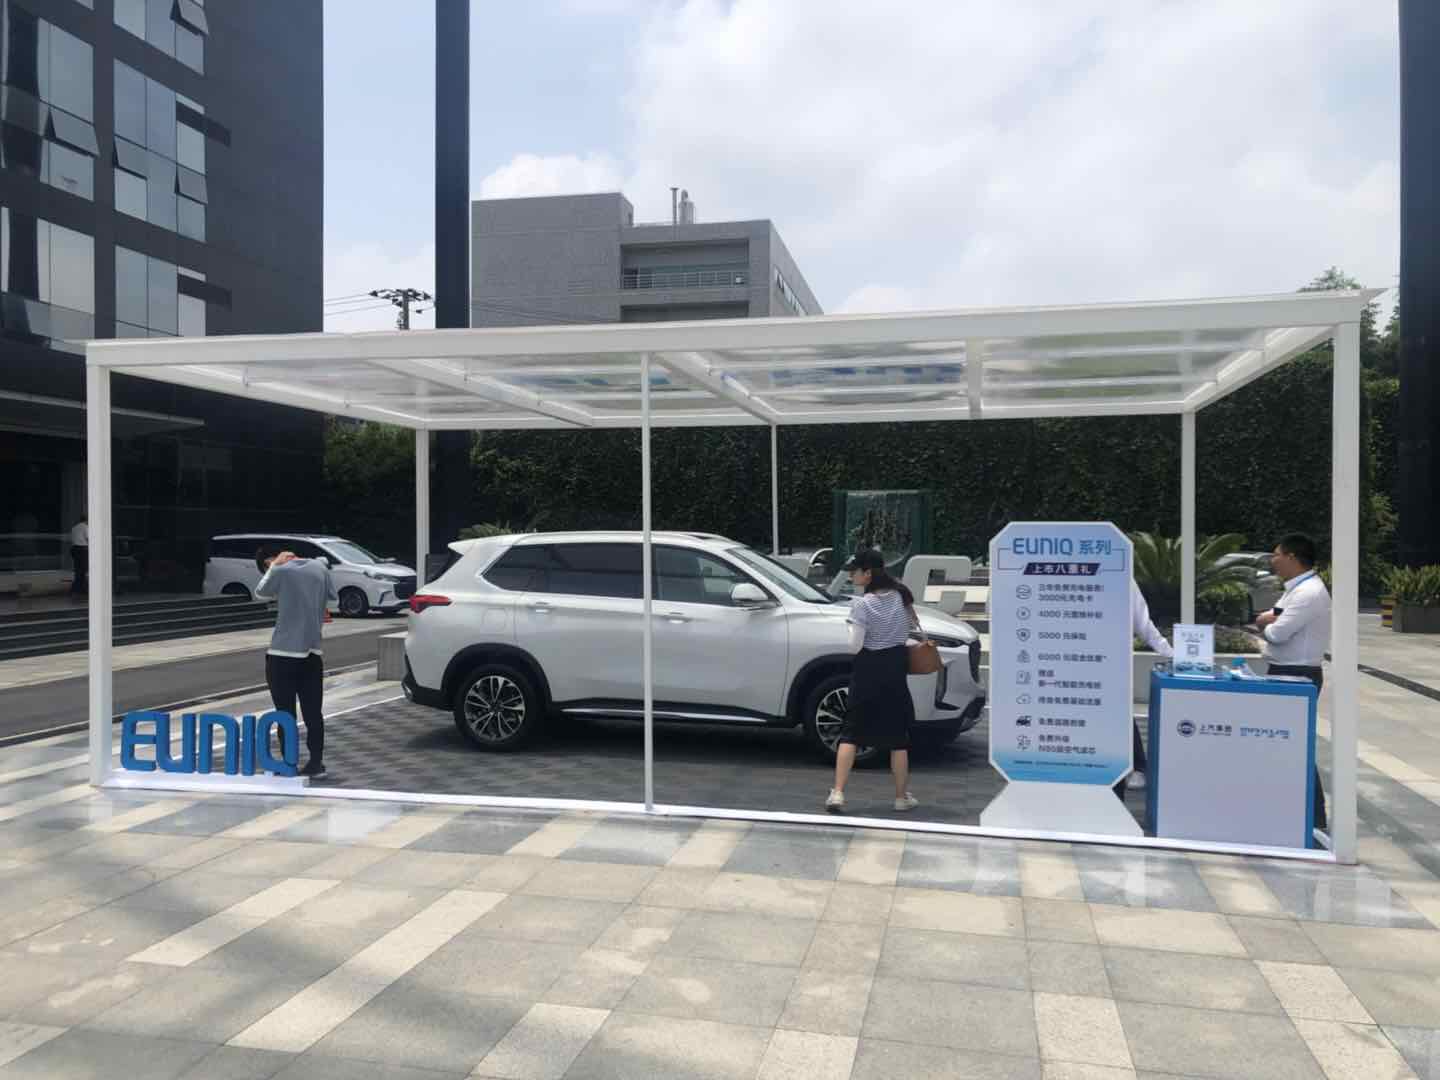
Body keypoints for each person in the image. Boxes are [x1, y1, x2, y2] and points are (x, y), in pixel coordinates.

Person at [826, 549, 920, 814]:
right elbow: (911, 627)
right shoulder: (901, 596)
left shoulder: (862, 605)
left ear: (868, 573)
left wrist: (850, 627)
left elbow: (855, 646)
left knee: (851, 733)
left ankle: (838, 793)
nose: (851, 576)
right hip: (895, 671)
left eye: (854, 571)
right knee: (898, 738)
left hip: (867, 672)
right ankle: (901, 798)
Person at [1255, 533, 1330, 832]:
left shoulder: (1308, 593)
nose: (1273, 561)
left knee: (1295, 747)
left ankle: (1315, 819)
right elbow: (1272, 616)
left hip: (1296, 675)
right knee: (1284, 745)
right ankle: (1291, 812)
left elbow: (1277, 632)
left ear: (1292, 557)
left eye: (1276, 555)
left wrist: (1266, 623)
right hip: (1284, 671)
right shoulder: (1295, 590)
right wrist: (1269, 620)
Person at [254, 544, 336, 778]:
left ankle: (289, 764)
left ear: (269, 562)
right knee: (313, 713)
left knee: (285, 714)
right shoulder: (320, 568)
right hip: (312, 653)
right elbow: (333, 599)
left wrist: (274, 568)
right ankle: (316, 764)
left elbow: (260, 592)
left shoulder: (279, 570)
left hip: (282, 655)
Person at [1127, 580, 1173, 791]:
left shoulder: (1119, 573)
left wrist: (1169, 652)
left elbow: (1141, 620)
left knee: (1118, 713)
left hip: (1108, 664)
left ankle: (1137, 766)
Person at [69, 517, 88, 595]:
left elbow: (72, 539)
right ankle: (76, 589)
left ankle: (80, 588)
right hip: (82, 550)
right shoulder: (85, 527)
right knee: (83, 570)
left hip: (75, 549)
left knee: (78, 570)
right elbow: (88, 538)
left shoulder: (74, 528)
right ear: (86, 520)